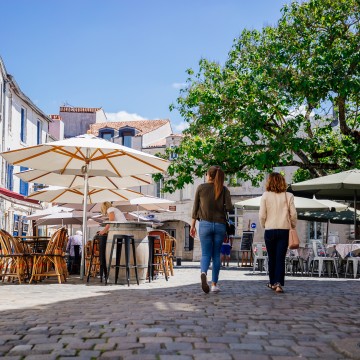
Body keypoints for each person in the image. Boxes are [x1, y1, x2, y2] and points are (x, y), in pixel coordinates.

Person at [190, 165, 233, 294]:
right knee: (216, 255)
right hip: (220, 225)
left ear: (208, 175)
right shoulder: (224, 189)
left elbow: (195, 209)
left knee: (205, 254)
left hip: (205, 224)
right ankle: (214, 285)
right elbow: (230, 208)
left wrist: (192, 226)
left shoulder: (201, 188)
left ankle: (203, 272)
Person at [259, 172, 297, 293]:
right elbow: (294, 214)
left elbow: (261, 215)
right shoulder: (289, 195)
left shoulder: (265, 195)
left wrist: (264, 225)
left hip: (269, 230)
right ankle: (278, 283)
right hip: (284, 230)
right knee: (280, 258)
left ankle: (271, 282)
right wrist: (293, 225)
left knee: (271, 257)